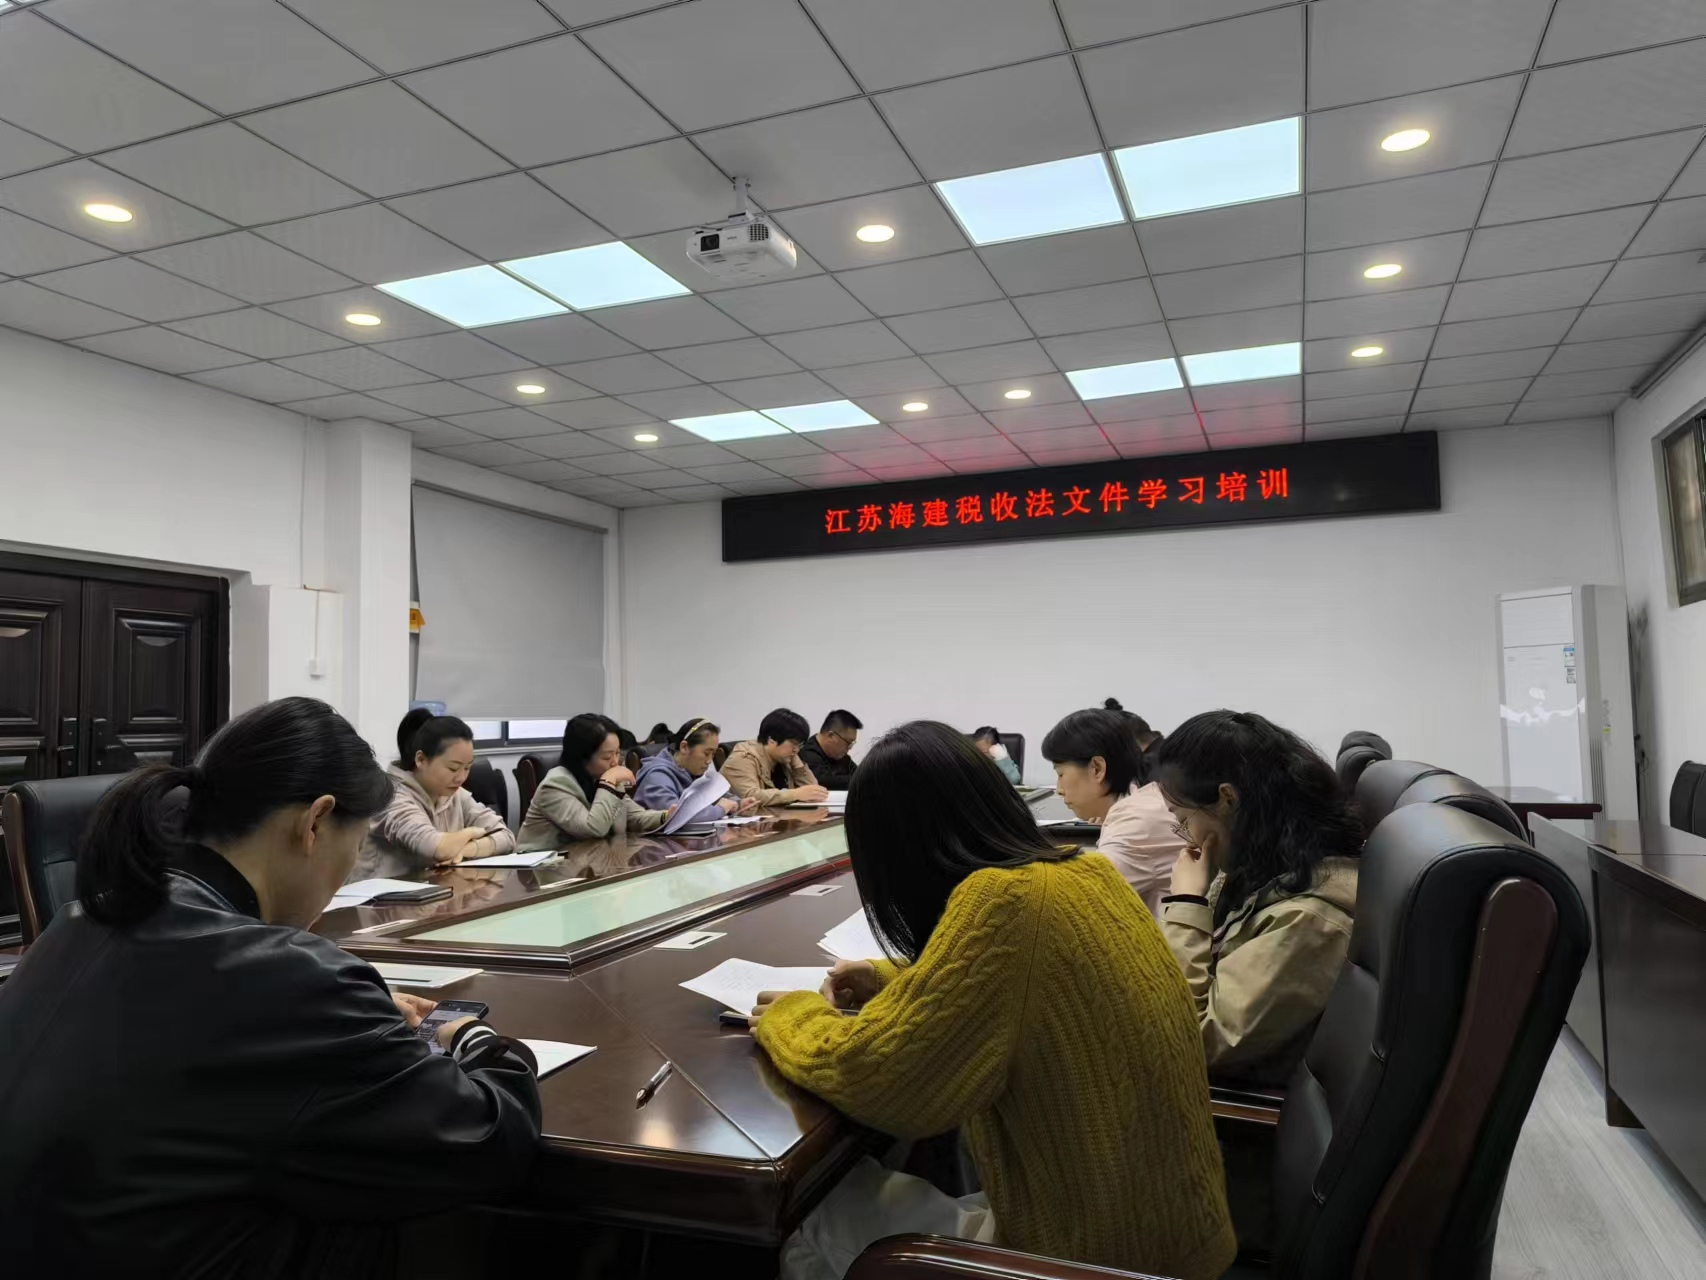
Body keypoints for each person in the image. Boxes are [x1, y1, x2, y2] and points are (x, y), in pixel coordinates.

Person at [0, 697, 542, 1279]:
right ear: (315, 822)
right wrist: (469, 1036)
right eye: (357, 842)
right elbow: (491, 1137)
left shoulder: (74, 923)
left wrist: (351, 1024)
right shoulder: (292, 980)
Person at [750, 721, 1235, 1280]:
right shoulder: (1084, 871)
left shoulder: (1003, 900)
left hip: (1087, 1260)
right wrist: (889, 976)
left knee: (804, 1221)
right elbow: (1019, 984)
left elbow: (885, 1081)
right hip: (1164, 1237)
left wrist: (792, 1015)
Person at [1154, 709, 1363, 1084]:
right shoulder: (1266, 867)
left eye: (1183, 820)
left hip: (1230, 1106)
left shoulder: (1308, 920)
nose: (1187, 838)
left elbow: (1190, 1042)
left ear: (1227, 799)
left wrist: (1187, 904)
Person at [1041, 706, 1184, 917]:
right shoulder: (1141, 803)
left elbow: (1074, 903)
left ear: (1097, 769)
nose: (1059, 790)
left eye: (1061, 774)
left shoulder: (1136, 826)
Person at [353, 708, 516, 880]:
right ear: (421, 760)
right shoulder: (390, 796)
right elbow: (438, 848)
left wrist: (466, 849)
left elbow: (507, 838)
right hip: (383, 895)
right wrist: (472, 833)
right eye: (453, 768)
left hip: (434, 889)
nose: (461, 777)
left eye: (467, 768)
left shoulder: (454, 793)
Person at [516, 712, 668, 849]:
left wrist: (668, 816)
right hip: (544, 868)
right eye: (607, 757)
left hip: (594, 862)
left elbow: (636, 818)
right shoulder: (556, 785)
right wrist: (608, 783)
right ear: (582, 757)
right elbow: (593, 829)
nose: (615, 762)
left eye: (617, 753)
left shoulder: (603, 777)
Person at [633, 718, 758, 824]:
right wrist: (720, 809)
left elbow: (719, 797)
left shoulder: (694, 772)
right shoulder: (657, 776)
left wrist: (739, 805)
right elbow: (677, 816)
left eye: (713, 754)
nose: (709, 761)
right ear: (684, 747)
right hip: (656, 844)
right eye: (706, 753)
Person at [722, 708, 828, 806]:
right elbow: (751, 796)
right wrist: (794, 794)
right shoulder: (742, 758)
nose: (796, 750)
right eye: (794, 744)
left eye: (799, 745)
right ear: (771, 739)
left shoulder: (785, 759)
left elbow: (814, 792)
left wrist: (798, 767)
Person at [797, 709, 862, 790]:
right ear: (831, 735)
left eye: (851, 744)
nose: (849, 748)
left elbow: (860, 775)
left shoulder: (840, 755)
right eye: (848, 743)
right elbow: (823, 782)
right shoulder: (807, 753)